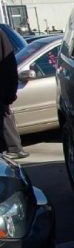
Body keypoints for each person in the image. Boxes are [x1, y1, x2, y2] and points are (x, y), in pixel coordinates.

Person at [0, 29, 27, 159]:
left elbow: (9, 65)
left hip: (2, 93)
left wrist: (9, 93)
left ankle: (14, 149)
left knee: (5, 117)